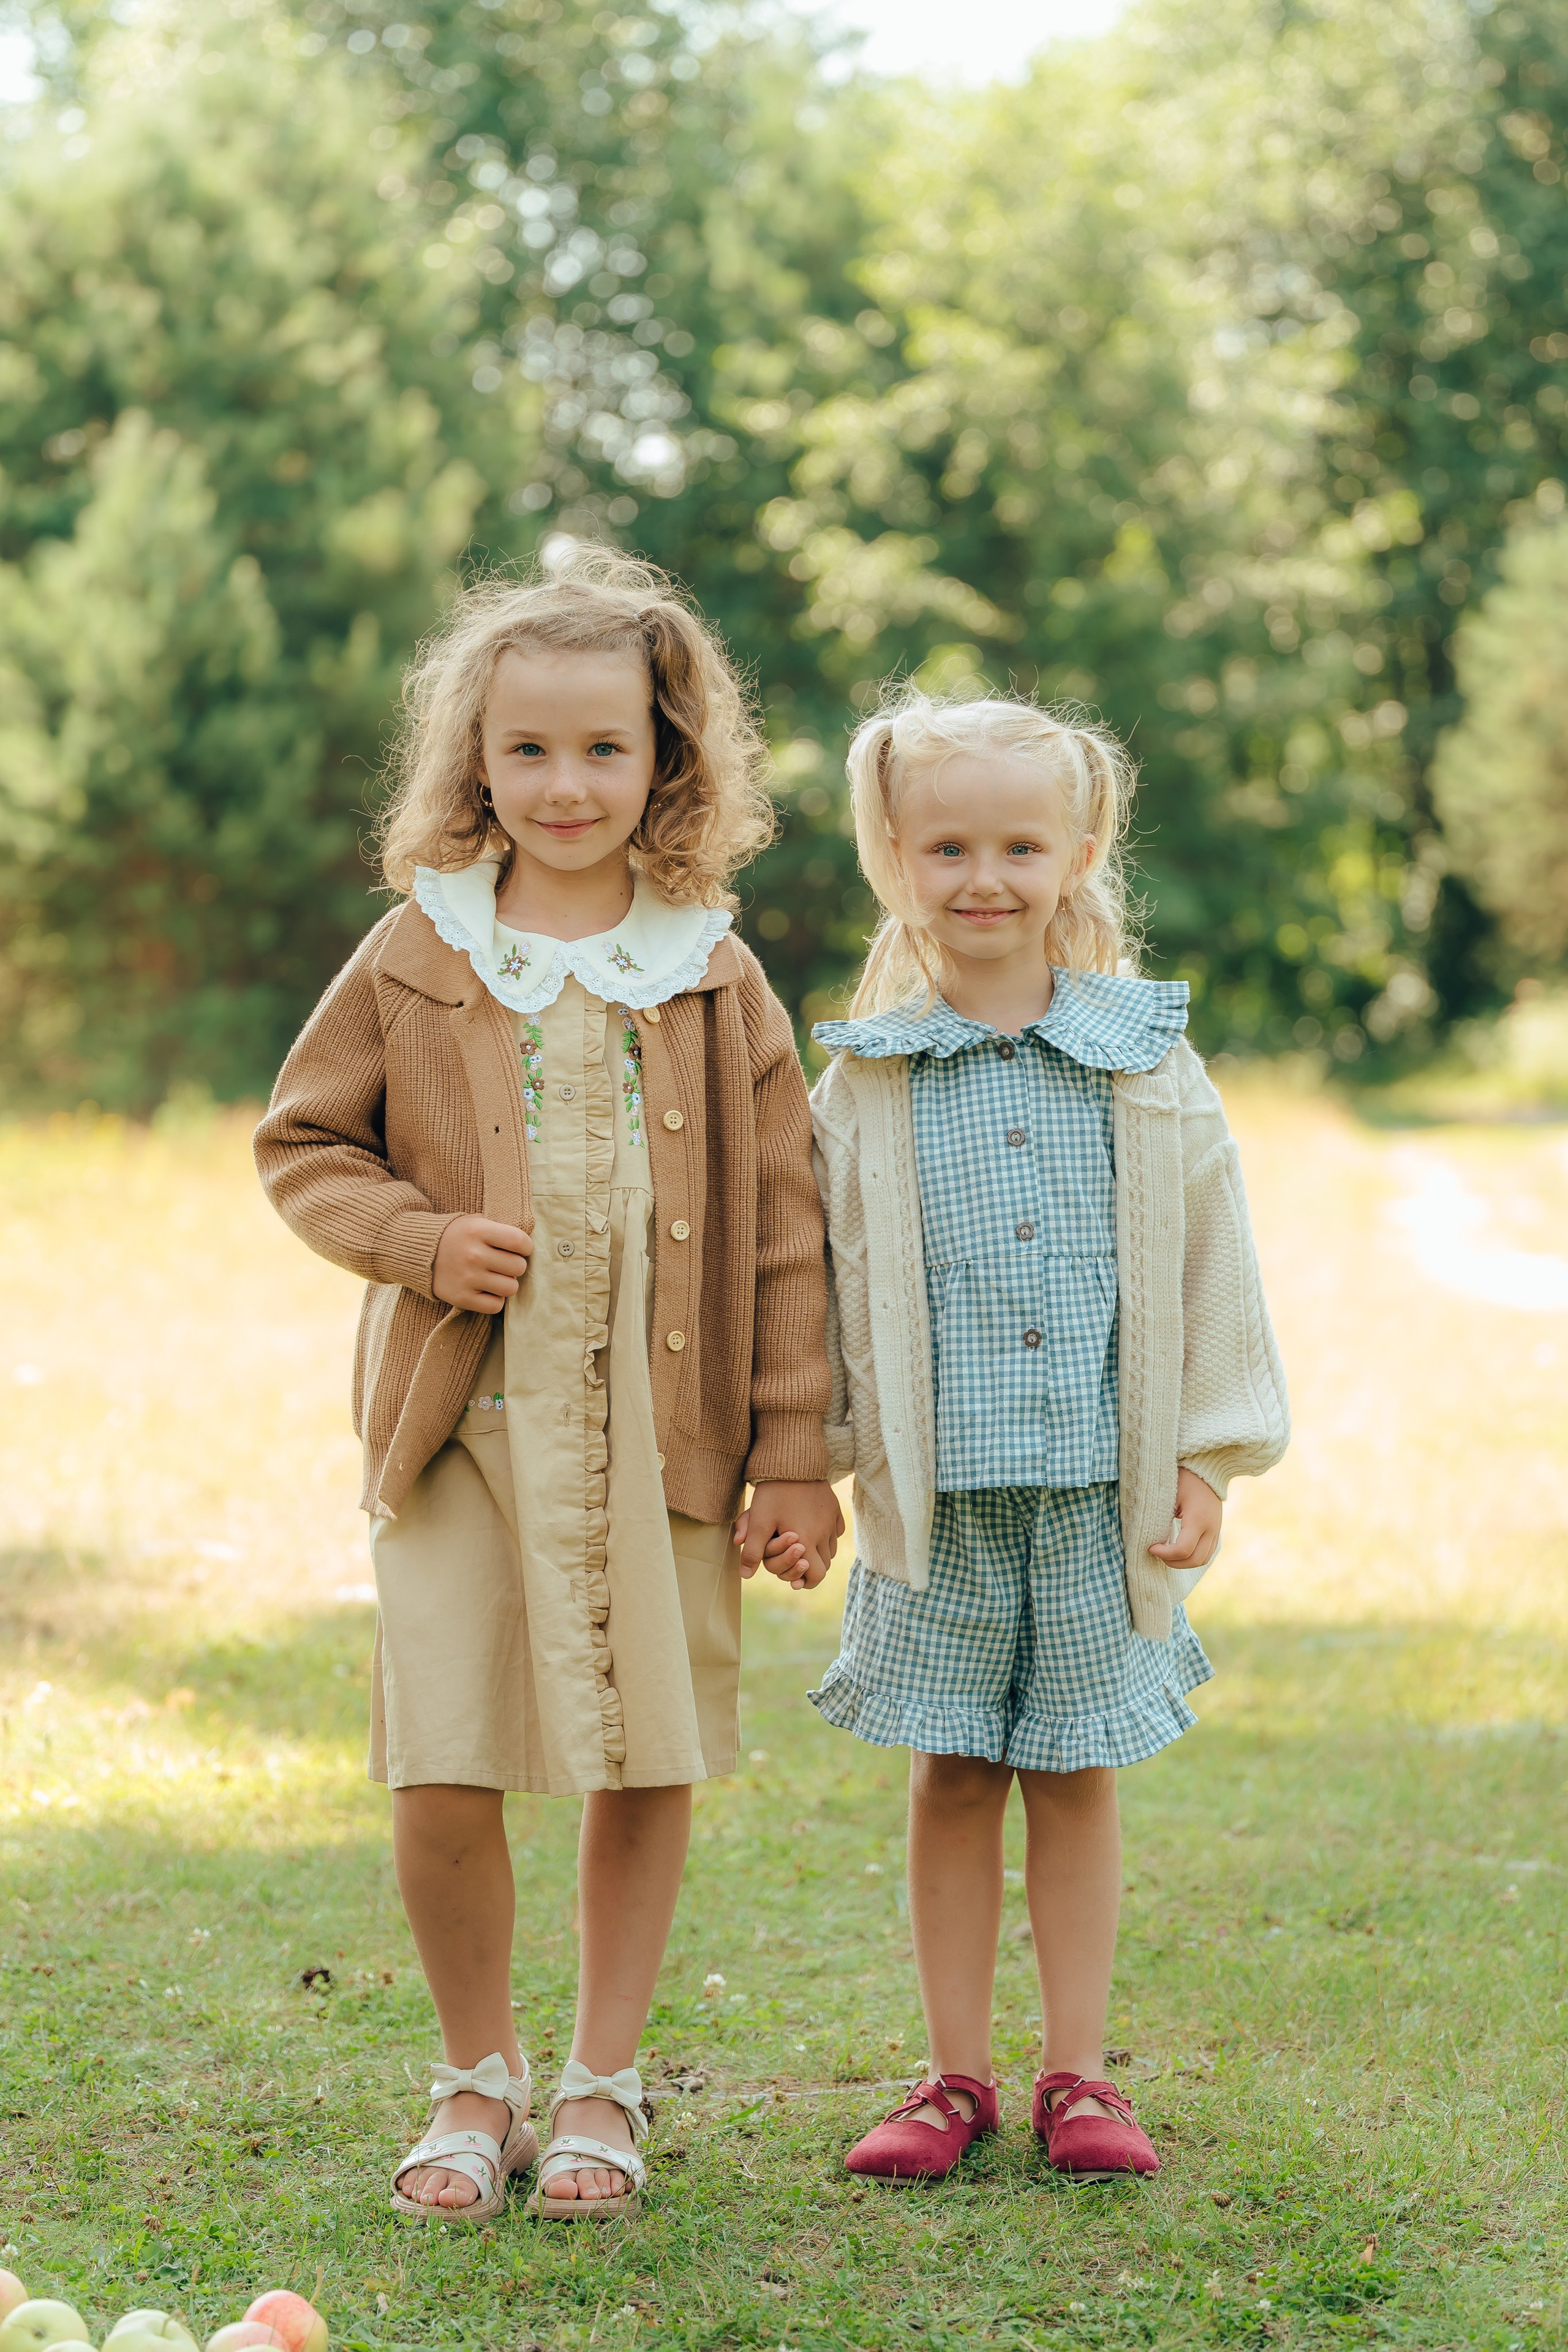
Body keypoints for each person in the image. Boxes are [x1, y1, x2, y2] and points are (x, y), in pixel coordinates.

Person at [254, 549, 840, 2223]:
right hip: (464, 1438)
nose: (567, 785)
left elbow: (787, 1228)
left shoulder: (713, 972)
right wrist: (425, 1243)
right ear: (476, 763)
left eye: (605, 749)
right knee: (441, 1755)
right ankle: (474, 2077)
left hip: (664, 1443)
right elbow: (303, 1145)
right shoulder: (420, 953)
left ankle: (602, 2080)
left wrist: (796, 1451)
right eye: (529, 752)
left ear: (668, 758)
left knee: (639, 1757)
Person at [795, 687, 1289, 2182]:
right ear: (894, 853)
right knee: (949, 1774)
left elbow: (1212, 1260)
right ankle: (953, 2080)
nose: (984, 878)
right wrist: (800, 1466)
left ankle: (1079, 2076)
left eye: (1019, 843)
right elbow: (816, 1285)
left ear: (1077, 852)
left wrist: (1204, 1459)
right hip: (930, 1506)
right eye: (947, 846)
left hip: (1100, 1498)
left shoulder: (1144, 1062)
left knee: (1075, 1775)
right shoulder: (866, 1078)